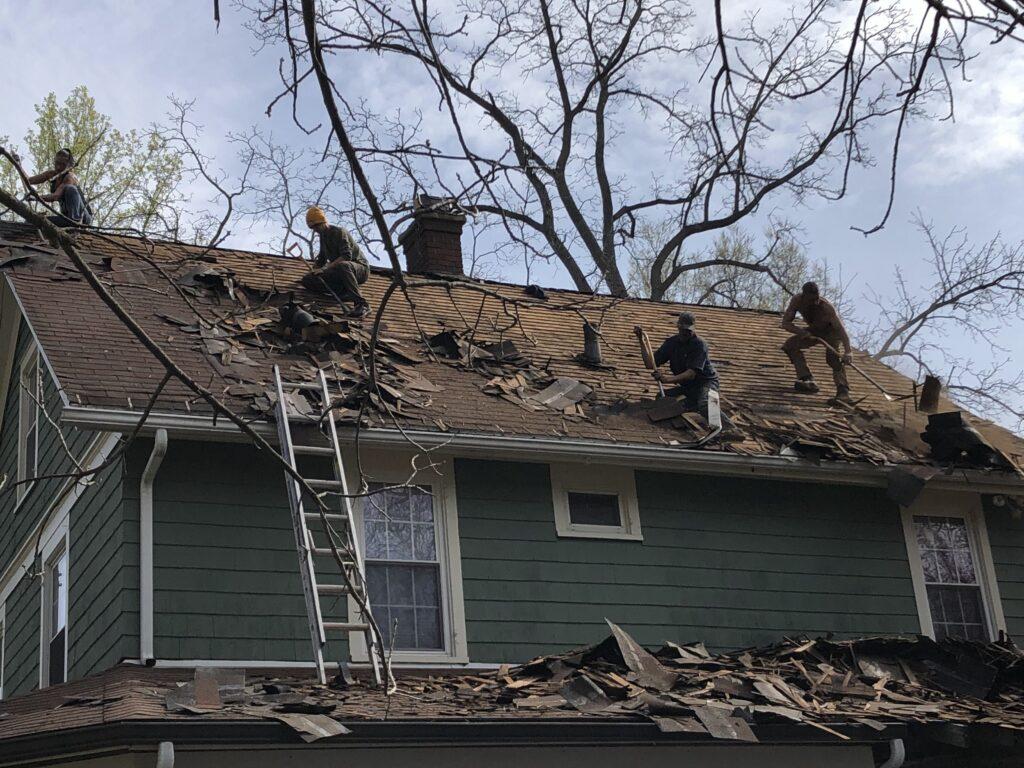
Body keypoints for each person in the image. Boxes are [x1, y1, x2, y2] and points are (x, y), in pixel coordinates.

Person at [780, 281, 852, 401]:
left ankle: (843, 391)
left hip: (831, 332)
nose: (816, 302)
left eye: (817, 298)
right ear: (804, 296)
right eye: (812, 300)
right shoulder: (797, 301)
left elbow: (841, 330)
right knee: (790, 345)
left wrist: (848, 352)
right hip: (815, 330)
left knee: (833, 358)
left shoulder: (826, 307)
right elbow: (786, 323)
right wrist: (802, 332)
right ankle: (807, 379)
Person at [300, 206, 370, 318]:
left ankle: (362, 304)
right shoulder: (323, 237)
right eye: (313, 228)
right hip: (340, 272)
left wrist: (324, 269)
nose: (315, 230)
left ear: (322, 221)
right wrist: (315, 269)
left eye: (316, 226)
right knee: (307, 280)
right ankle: (343, 292)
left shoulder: (339, 232)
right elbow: (322, 259)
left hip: (359, 269)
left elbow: (346, 256)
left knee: (343, 266)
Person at [652, 311, 720, 416]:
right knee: (662, 398)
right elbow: (651, 363)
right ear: (678, 327)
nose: (685, 332)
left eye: (688, 330)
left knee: (707, 404)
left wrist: (667, 380)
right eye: (682, 329)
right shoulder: (671, 343)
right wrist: (642, 341)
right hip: (689, 387)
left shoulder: (699, 344)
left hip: (707, 383)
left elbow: (691, 374)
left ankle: (729, 430)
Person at [25, 148, 93, 228]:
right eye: (57, 163)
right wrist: (18, 164)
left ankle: (75, 221)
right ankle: (70, 222)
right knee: (31, 221)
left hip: (83, 219)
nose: (58, 167)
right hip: (66, 219)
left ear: (69, 165)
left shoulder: (70, 177)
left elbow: (55, 196)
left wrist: (36, 197)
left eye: (63, 164)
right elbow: (28, 180)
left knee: (70, 188)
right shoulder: (51, 174)